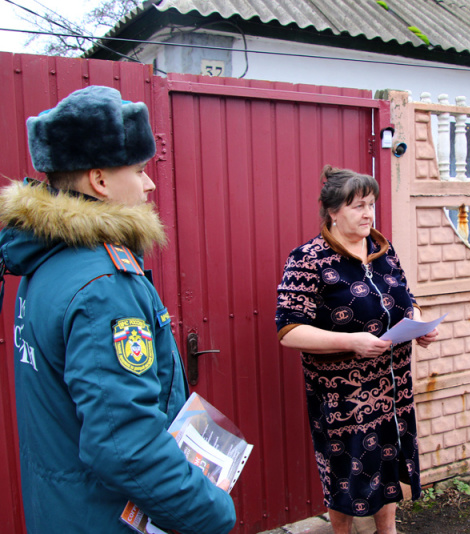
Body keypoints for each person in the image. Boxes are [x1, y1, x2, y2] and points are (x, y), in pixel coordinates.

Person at [0, 86, 236, 534]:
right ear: (101, 181)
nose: (149, 184)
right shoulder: (104, 284)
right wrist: (211, 513)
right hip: (103, 518)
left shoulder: (46, 262)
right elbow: (124, 444)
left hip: (65, 508)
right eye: (141, 170)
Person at [275, 166, 438, 534]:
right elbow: (288, 330)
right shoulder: (308, 259)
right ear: (333, 211)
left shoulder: (382, 249)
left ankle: (388, 530)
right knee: (345, 470)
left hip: (392, 389)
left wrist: (420, 323)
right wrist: (351, 341)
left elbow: (405, 299)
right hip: (342, 395)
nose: (369, 214)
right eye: (358, 206)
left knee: (388, 457)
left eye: (372, 205)